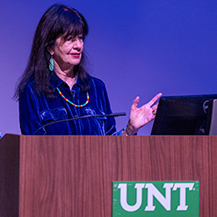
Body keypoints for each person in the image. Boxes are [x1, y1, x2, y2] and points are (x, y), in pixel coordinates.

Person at [14, 4, 162, 135]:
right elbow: (32, 150)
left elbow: (109, 144)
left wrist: (130, 129)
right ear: (50, 47)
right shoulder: (32, 90)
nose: (78, 45)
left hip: (99, 167)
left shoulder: (96, 88)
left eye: (80, 38)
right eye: (70, 39)